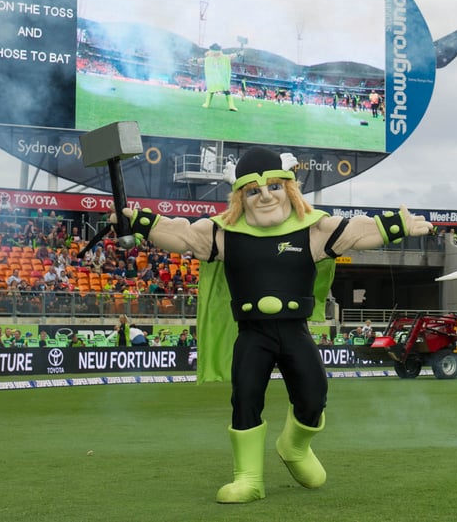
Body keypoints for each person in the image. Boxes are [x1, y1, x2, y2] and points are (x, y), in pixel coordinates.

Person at [120, 145, 431, 503]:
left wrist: (396, 225)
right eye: (253, 190)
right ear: (241, 196)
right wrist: (142, 222)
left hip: (294, 331)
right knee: (245, 399)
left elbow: (355, 232)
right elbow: (181, 235)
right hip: (253, 334)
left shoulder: (311, 231)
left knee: (314, 398)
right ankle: (249, 478)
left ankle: (295, 448)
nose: (265, 196)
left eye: (273, 187)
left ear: (289, 188)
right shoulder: (224, 233)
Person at [200, 43, 241, 111]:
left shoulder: (224, 58)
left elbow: (231, 56)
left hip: (221, 78)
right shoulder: (209, 58)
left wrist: (238, 54)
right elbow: (202, 60)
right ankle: (207, 103)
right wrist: (194, 60)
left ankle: (231, 106)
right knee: (212, 90)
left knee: (225, 90)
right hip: (215, 78)